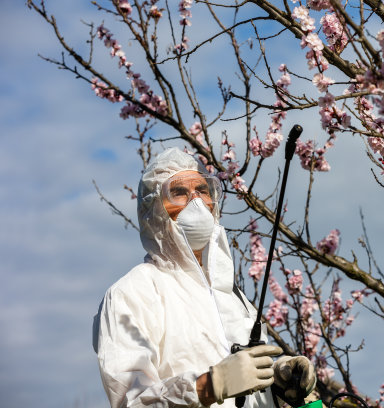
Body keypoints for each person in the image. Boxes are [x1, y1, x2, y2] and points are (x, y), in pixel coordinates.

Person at [93, 147, 316, 408]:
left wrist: (277, 386)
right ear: (154, 209)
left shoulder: (231, 296)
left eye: (202, 190)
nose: (196, 201)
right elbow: (131, 401)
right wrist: (207, 387)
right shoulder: (133, 293)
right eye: (179, 193)